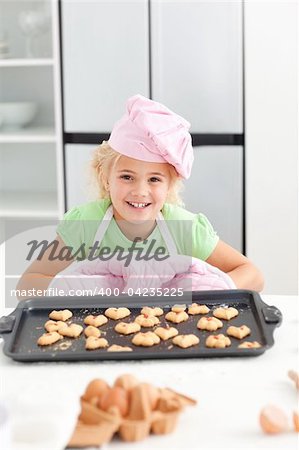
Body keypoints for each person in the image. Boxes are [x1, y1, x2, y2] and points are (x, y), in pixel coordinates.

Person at [17, 95, 264, 297]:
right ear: (105, 177)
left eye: (154, 179)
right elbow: (27, 284)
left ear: (169, 186)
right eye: (127, 177)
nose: (140, 191)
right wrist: (81, 290)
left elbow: (252, 274)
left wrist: (207, 292)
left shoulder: (184, 228)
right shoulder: (86, 225)